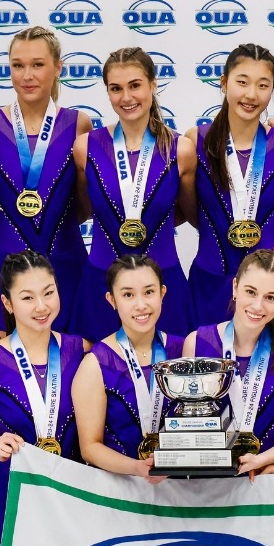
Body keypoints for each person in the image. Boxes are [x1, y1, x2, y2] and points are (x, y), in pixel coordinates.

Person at [0, 253, 89, 546]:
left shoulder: (81, 350)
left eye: (48, 292)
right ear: (7, 303)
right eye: (27, 297)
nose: (41, 306)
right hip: (14, 488)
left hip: (71, 484)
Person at [0, 25, 92, 337]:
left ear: (58, 67)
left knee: (69, 365)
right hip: (5, 271)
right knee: (2, 364)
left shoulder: (79, 125)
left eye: (38, 64)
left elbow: (84, 206)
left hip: (67, 267)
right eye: (18, 65)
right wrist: (6, 222)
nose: (27, 76)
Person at [75, 47, 189, 341]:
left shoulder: (181, 149)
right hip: (100, 288)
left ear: (153, 84)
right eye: (116, 88)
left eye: (135, 85)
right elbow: (80, 209)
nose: (126, 97)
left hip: (164, 286)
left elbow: (193, 213)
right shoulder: (85, 147)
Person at [183, 44, 274, 328]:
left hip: (268, 288)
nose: (251, 94)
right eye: (242, 82)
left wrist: (270, 239)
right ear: (224, 82)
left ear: (272, 89)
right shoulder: (195, 142)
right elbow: (190, 212)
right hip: (209, 284)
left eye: (263, 85)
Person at [186, 251, 274, 476]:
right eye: (250, 292)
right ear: (235, 288)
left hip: (265, 478)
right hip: (206, 481)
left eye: (270, 297)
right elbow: (187, 425)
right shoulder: (197, 343)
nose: (258, 306)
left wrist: (263, 460)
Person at [74, 256, 183, 476]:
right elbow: (89, 448)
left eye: (149, 292)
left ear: (162, 293)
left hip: (180, 486)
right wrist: (137, 468)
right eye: (128, 295)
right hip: (119, 488)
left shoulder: (183, 351)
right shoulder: (95, 364)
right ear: (112, 300)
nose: (140, 304)